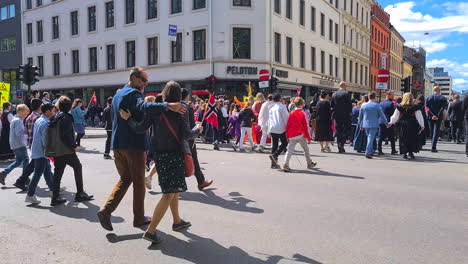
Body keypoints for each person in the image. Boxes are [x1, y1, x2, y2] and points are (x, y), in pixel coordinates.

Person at [97, 67, 185, 232]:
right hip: (133, 145)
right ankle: (138, 218)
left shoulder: (118, 94)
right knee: (138, 183)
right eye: (144, 80)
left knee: (125, 179)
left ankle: (106, 211)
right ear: (135, 78)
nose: (146, 83)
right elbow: (143, 106)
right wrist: (168, 105)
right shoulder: (133, 94)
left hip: (117, 145)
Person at [142, 81, 203, 244]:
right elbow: (187, 135)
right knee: (169, 193)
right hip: (174, 155)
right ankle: (151, 231)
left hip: (159, 156)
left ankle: (177, 221)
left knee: (173, 189)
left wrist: (127, 119)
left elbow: (140, 127)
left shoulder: (157, 110)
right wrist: (198, 129)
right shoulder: (181, 110)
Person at [47, 96, 94, 206]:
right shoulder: (66, 117)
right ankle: (80, 193)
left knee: (58, 173)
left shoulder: (56, 116)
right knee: (78, 167)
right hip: (67, 150)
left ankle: (55, 197)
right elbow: (66, 135)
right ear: (69, 107)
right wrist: (73, 146)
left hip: (57, 150)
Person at [181, 88, 213, 190]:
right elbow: (191, 125)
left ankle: (199, 181)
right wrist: (198, 129)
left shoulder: (173, 107)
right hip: (188, 138)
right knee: (193, 159)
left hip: (175, 138)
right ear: (186, 97)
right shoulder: (187, 107)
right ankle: (201, 181)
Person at [24, 103, 56, 204]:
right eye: (53, 110)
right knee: (38, 174)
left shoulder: (39, 120)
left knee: (47, 173)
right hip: (42, 152)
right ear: (48, 111)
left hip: (38, 150)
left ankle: (53, 192)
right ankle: (30, 195)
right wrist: (50, 152)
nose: (54, 113)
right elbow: (45, 140)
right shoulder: (46, 123)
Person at [282, 97, 317, 171]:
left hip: (292, 134)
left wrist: (287, 135)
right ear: (302, 104)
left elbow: (288, 125)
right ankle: (309, 163)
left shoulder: (291, 113)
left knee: (290, 150)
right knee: (306, 149)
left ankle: (286, 164)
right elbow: (306, 126)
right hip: (300, 134)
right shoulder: (303, 113)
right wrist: (308, 137)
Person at [0, 104, 30, 188]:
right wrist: (27, 131)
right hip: (19, 144)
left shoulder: (15, 119)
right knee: (26, 160)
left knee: (19, 161)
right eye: (25, 114)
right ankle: (24, 178)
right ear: (20, 112)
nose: (26, 115)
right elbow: (18, 133)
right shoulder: (18, 120)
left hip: (15, 143)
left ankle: (4, 173)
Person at [388, 93, 425, 159]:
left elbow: (395, 116)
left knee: (403, 139)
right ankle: (411, 152)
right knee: (412, 138)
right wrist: (422, 125)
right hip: (412, 124)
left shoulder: (399, 106)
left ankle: (404, 153)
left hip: (402, 124)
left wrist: (391, 122)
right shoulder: (416, 107)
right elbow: (419, 117)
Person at [358, 92, 388, 159]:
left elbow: (360, 116)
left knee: (369, 138)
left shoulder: (364, 105)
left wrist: (360, 125)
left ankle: (370, 152)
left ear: (368, 97)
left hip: (365, 124)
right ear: (375, 97)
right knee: (370, 138)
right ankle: (368, 152)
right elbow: (382, 115)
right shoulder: (377, 105)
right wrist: (386, 123)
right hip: (374, 124)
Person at [268, 94, 289, 169]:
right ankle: (275, 155)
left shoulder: (272, 108)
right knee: (284, 143)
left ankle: (273, 163)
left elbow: (269, 119)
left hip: (273, 128)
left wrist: (269, 130)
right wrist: (288, 128)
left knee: (274, 145)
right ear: (280, 99)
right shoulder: (282, 107)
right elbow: (286, 118)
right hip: (281, 128)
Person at [331, 82, 353, 153]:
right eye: (346, 85)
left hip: (337, 115)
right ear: (344, 86)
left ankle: (339, 144)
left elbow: (332, 105)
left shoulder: (334, 94)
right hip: (345, 115)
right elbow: (349, 105)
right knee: (345, 130)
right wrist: (350, 113)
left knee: (338, 129)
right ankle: (342, 144)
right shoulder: (346, 94)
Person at [426, 86, 448, 152]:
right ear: (439, 90)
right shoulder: (443, 98)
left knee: (432, 131)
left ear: (433, 90)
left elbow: (427, 108)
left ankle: (432, 145)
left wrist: (432, 115)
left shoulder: (428, 98)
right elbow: (443, 108)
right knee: (436, 131)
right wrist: (437, 115)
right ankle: (433, 147)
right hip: (438, 117)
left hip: (430, 117)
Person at [378, 91, 397, 155]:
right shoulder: (391, 104)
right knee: (391, 136)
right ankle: (393, 150)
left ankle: (379, 150)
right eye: (392, 95)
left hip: (381, 121)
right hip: (388, 122)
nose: (393, 97)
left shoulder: (380, 103)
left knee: (380, 136)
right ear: (388, 95)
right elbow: (393, 113)